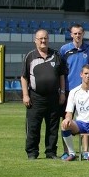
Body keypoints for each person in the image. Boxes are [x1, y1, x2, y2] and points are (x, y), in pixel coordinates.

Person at [21, 29, 66, 160]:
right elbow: (24, 77)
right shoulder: (30, 56)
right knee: (33, 126)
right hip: (35, 97)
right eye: (40, 38)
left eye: (45, 38)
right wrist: (25, 95)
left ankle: (51, 152)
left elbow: (61, 76)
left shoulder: (56, 55)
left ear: (48, 39)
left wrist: (62, 93)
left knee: (53, 127)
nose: (43, 41)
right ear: (35, 40)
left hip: (53, 97)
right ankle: (32, 152)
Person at [61, 65, 89, 162]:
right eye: (86, 73)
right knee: (64, 125)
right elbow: (69, 112)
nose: (88, 76)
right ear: (81, 75)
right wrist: (67, 119)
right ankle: (72, 153)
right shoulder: (74, 92)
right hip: (80, 124)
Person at [60, 23, 89, 95]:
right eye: (75, 33)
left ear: (83, 34)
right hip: (68, 88)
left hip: (84, 88)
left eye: (79, 33)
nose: (77, 35)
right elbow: (61, 71)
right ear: (71, 34)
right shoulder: (64, 49)